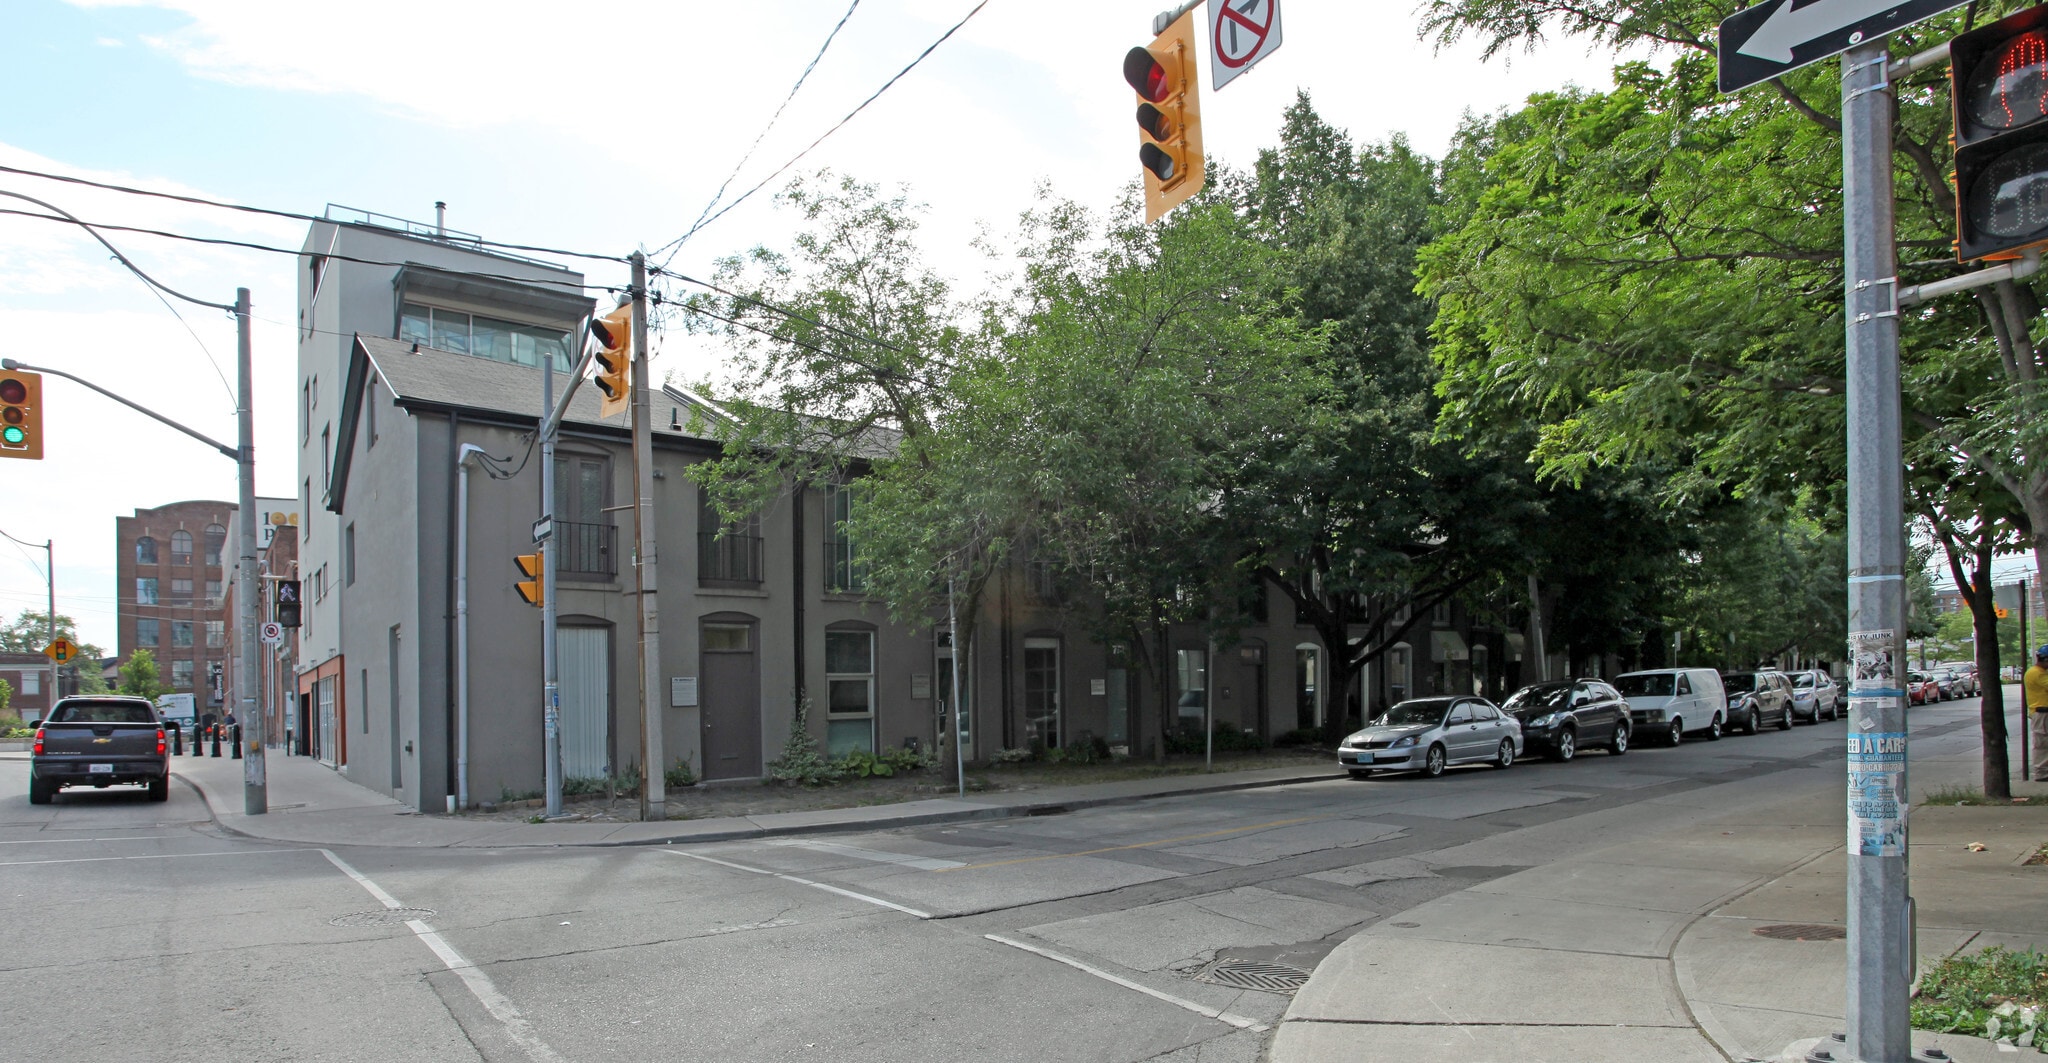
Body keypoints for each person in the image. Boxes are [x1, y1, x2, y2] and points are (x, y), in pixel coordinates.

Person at [2027, 645, 2048, 781]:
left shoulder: (2040, 672)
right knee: (2042, 744)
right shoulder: (2037, 673)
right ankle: (2042, 773)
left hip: (2043, 712)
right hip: (2041, 713)